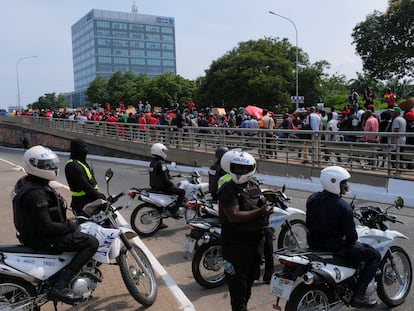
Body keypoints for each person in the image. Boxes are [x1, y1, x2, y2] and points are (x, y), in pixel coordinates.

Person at [12, 145, 99, 304]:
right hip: (45, 239)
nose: (51, 168)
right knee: (91, 242)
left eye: (52, 164)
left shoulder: (26, 182)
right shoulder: (36, 193)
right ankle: (60, 285)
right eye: (46, 165)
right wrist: (71, 225)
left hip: (31, 235)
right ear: (33, 165)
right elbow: (48, 227)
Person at [306, 166, 381, 308]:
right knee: (374, 255)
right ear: (334, 182)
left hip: (314, 243)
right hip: (334, 247)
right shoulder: (343, 206)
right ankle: (358, 296)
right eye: (343, 183)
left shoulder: (312, 199)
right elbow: (351, 237)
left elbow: (310, 222)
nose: (345, 186)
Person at [218, 151, 273, 311]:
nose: (240, 172)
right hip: (235, 247)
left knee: (248, 285)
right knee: (237, 290)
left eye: (244, 168)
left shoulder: (253, 186)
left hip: (254, 244)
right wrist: (261, 212)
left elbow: (259, 203)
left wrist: (266, 208)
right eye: (237, 168)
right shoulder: (228, 189)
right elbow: (234, 215)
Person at [65, 139, 106, 217]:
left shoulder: (82, 163)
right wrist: (99, 196)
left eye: (85, 147)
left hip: (91, 201)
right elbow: (85, 186)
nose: (85, 150)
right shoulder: (73, 166)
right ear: (76, 150)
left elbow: (92, 181)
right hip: (82, 204)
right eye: (82, 148)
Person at [149, 142, 184, 219]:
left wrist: (169, 177)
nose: (165, 153)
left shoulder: (153, 162)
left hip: (154, 185)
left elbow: (159, 174)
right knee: (181, 192)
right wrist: (171, 184)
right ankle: (174, 211)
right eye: (164, 151)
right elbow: (165, 178)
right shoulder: (161, 163)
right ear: (159, 151)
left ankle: (161, 219)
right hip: (162, 186)